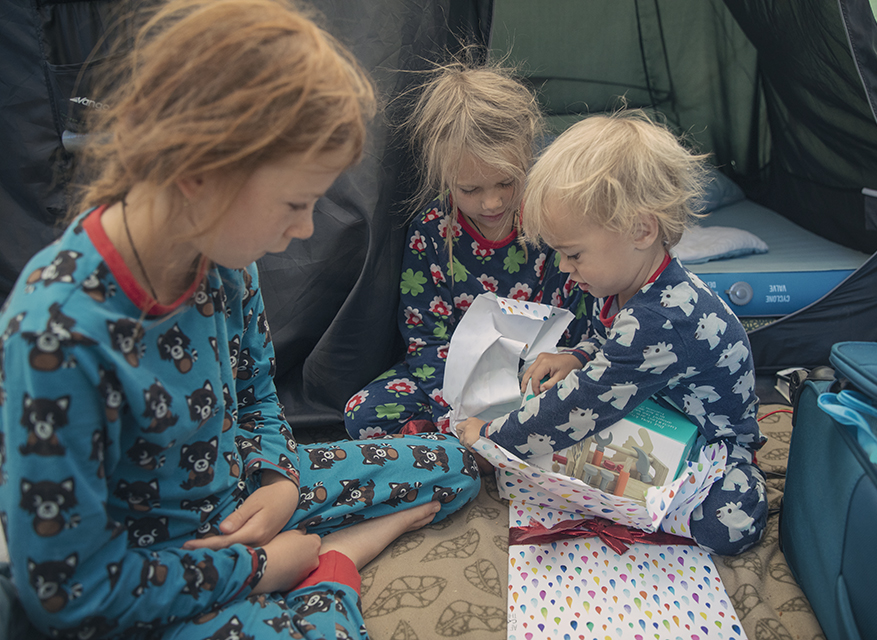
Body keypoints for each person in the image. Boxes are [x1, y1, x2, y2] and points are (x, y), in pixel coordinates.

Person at [0, 1, 480, 638]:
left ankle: (313, 566)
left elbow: (256, 393)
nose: (304, 229)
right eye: (295, 203)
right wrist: (257, 569)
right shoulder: (57, 335)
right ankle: (334, 568)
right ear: (201, 176)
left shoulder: (223, 259)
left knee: (455, 466)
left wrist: (280, 479)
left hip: (242, 494)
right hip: (158, 564)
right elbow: (68, 591)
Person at [456, 112, 768, 556]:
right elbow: (613, 342)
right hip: (659, 412)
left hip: (713, 446)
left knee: (728, 527)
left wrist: (491, 436)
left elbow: (582, 403)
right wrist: (579, 355)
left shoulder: (664, 317)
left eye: (574, 254)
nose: (564, 268)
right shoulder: (634, 284)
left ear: (641, 230)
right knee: (569, 433)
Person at [343, 60, 590, 440]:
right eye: (470, 190)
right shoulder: (431, 231)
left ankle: (491, 439)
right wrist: (457, 414)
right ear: (443, 175)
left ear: (527, 158)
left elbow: (577, 325)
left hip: (535, 375)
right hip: (455, 380)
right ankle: (465, 442)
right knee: (363, 413)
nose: (492, 203)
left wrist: (542, 384)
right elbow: (425, 339)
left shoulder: (549, 222)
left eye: (506, 182)